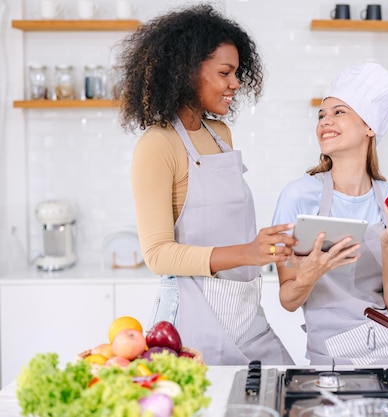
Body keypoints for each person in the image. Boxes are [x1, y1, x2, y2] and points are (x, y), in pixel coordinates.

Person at [116, 3, 296, 365]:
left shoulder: (221, 135)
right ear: (186, 72)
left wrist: (267, 247)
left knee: (282, 393)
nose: (235, 83)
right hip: (192, 318)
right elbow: (158, 254)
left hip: (246, 313)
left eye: (237, 72)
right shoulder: (158, 145)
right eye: (225, 72)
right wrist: (248, 252)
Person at [272, 62, 388, 366]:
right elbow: (288, 300)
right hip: (331, 356)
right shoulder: (298, 196)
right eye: (321, 115)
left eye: (339, 112)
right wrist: (312, 273)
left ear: (370, 127)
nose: (325, 121)